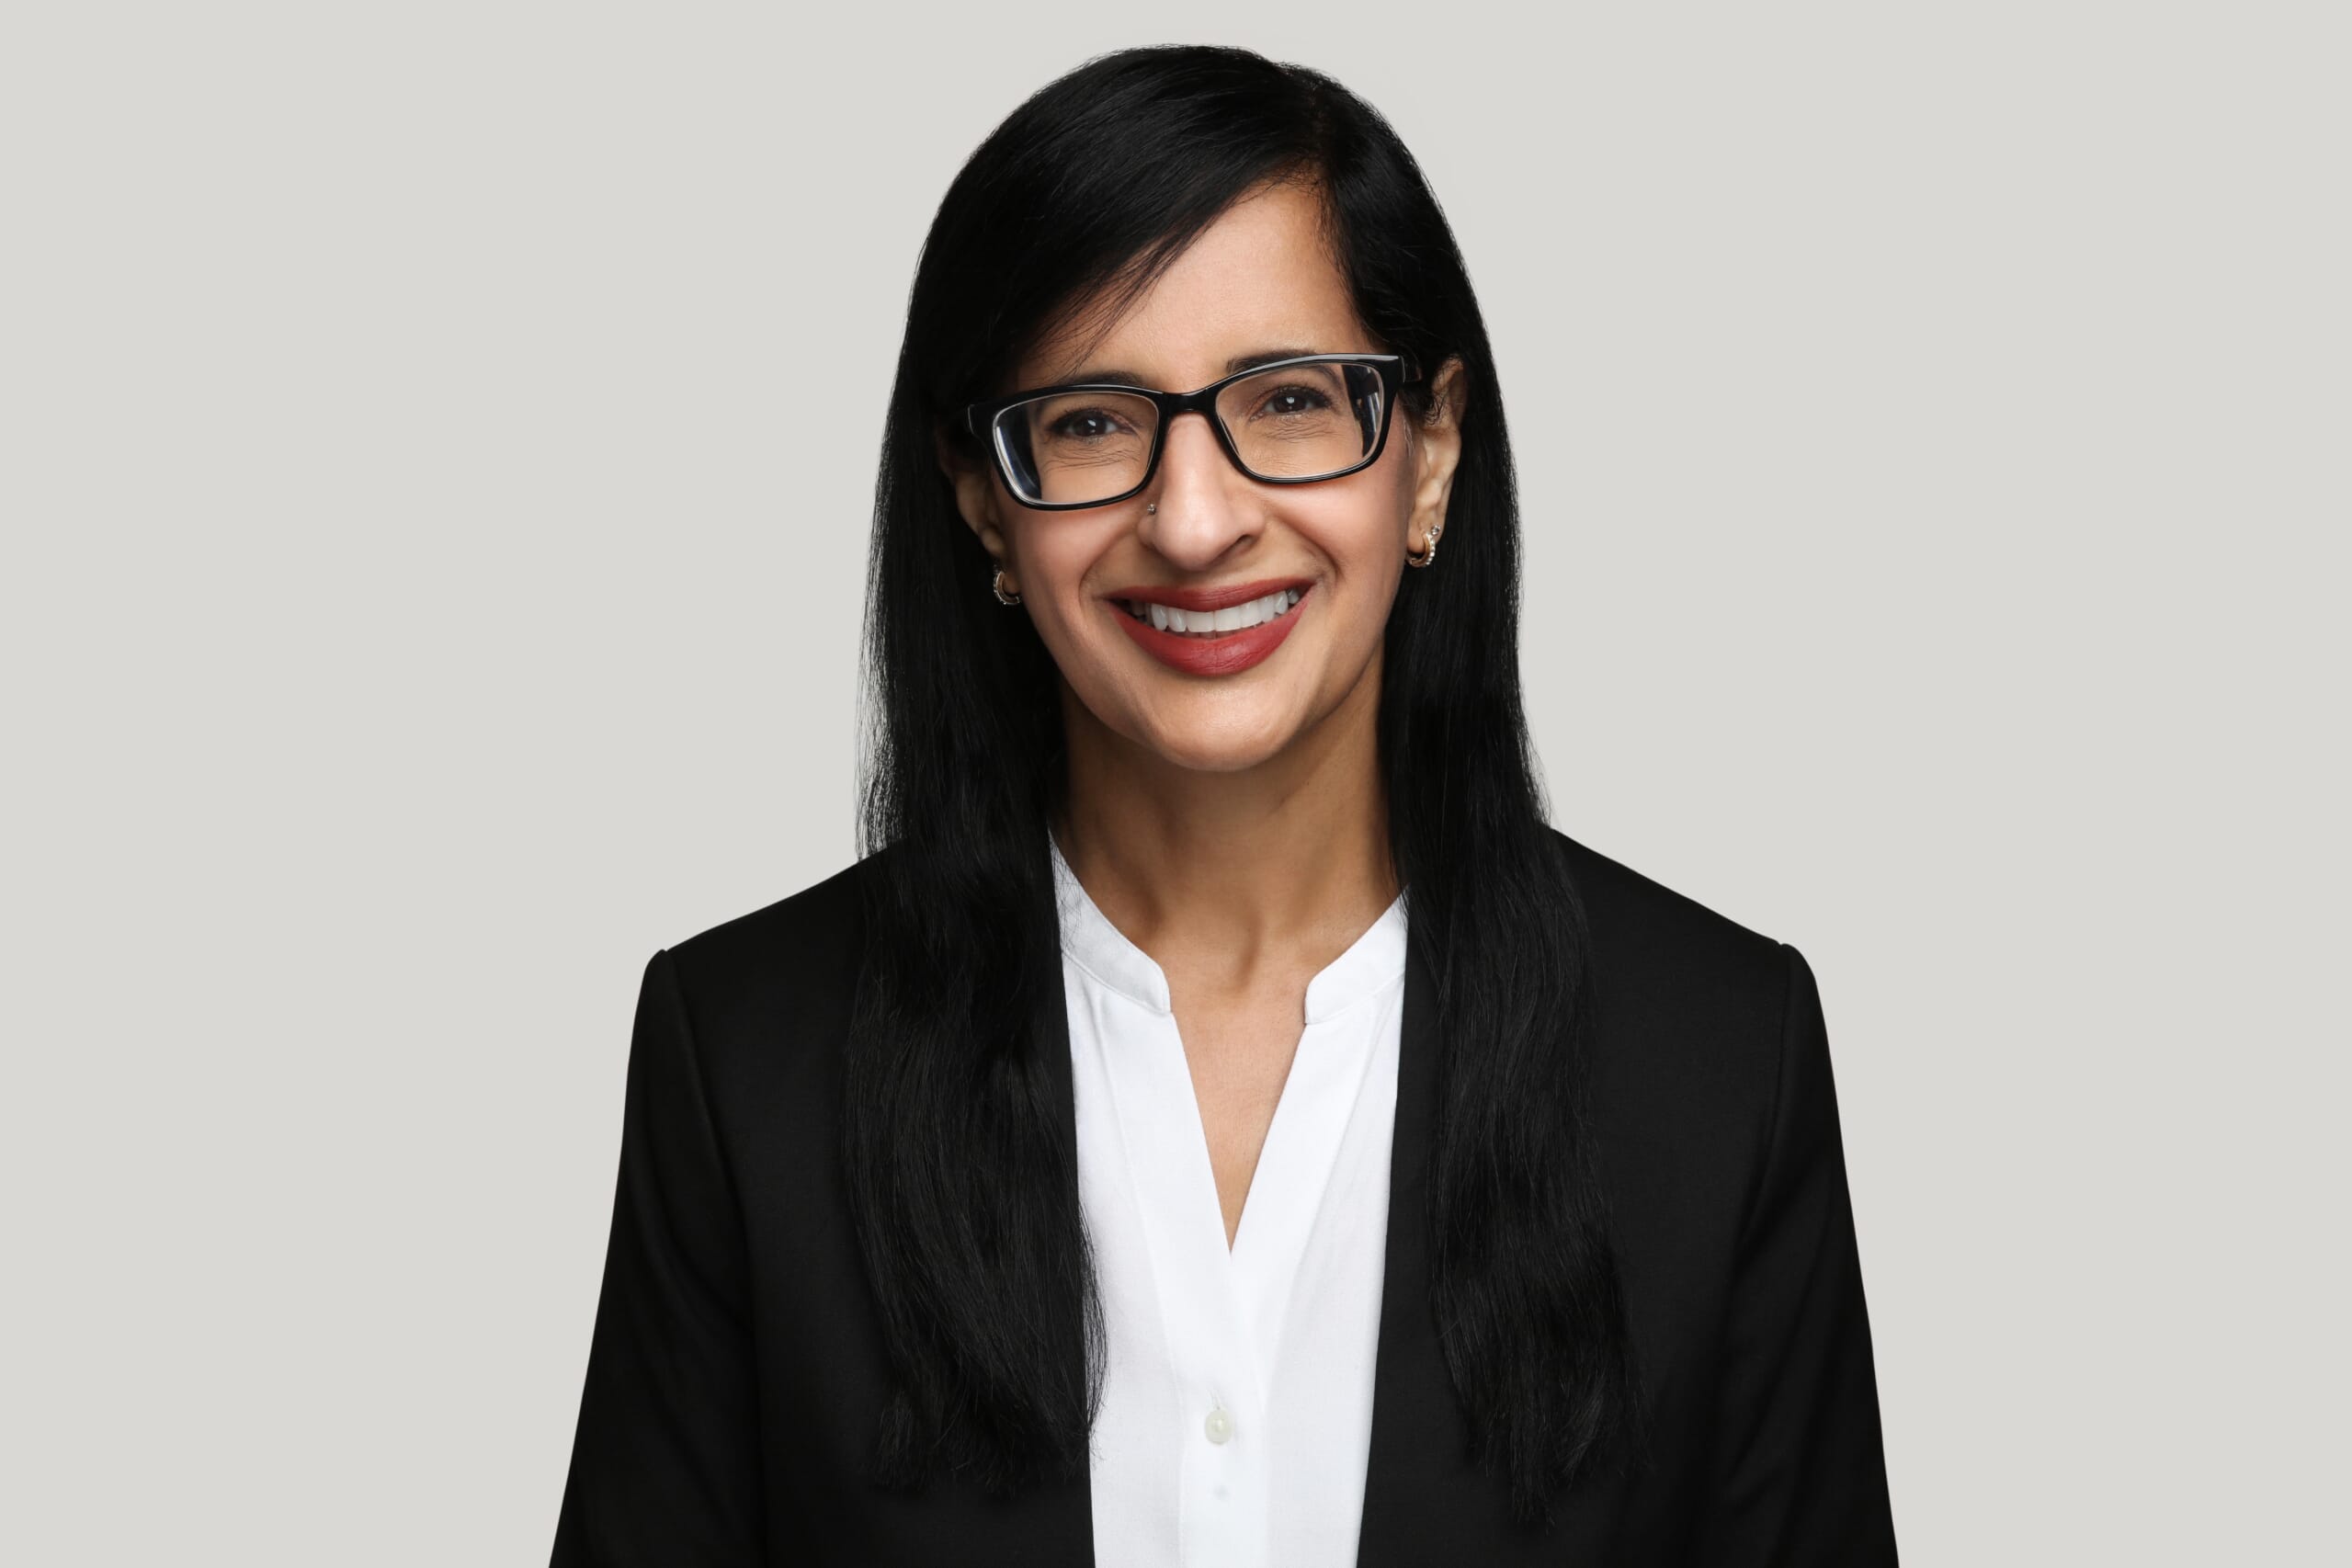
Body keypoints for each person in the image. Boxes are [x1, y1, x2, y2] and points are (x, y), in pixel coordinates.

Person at [551, 43, 1897, 1567]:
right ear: (982, 493)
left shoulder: (1718, 1059)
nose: (1194, 521)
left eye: (1293, 399)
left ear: (1431, 451)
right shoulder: (745, 1060)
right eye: (1092, 421)